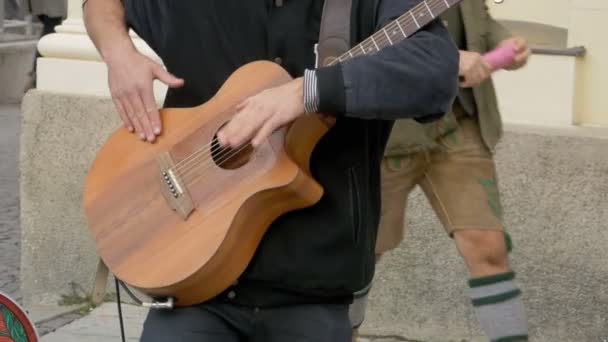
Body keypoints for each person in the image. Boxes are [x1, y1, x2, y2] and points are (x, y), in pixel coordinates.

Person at [83, 0, 459, 341]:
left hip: (313, 287)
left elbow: (433, 71)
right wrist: (118, 53)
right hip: (194, 281)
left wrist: (305, 92)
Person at [352, 1, 531, 341]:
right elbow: (357, 41)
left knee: (488, 246)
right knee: (361, 259)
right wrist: (447, 61)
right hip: (388, 135)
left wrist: (505, 42)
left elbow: (475, 17)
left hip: (458, 125)